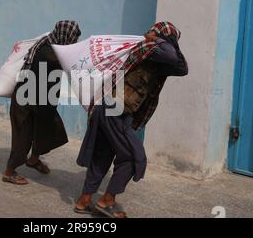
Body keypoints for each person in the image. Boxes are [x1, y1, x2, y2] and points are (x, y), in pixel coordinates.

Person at [74, 22, 188, 218]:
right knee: (134, 157)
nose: (148, 32)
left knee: (103, 156)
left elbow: (182, 67)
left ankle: (83, 202)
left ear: (162, 37)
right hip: (114, 109)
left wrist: (164, 41)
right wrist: (161, 40)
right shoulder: (147, 49)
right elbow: (171, 56)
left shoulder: (159, 57)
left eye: (153, 30)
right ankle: (106, 201)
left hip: (114, 110)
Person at [3, 21, 81, 185]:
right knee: (23, 136)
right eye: (72, 39)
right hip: (26, 102)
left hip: (42, 99)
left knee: (48, 129)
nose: (73, 43)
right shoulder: (49, 52)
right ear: (64, 36)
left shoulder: (50, 43)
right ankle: (9, 172)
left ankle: (33, 160)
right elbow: (70, 65)